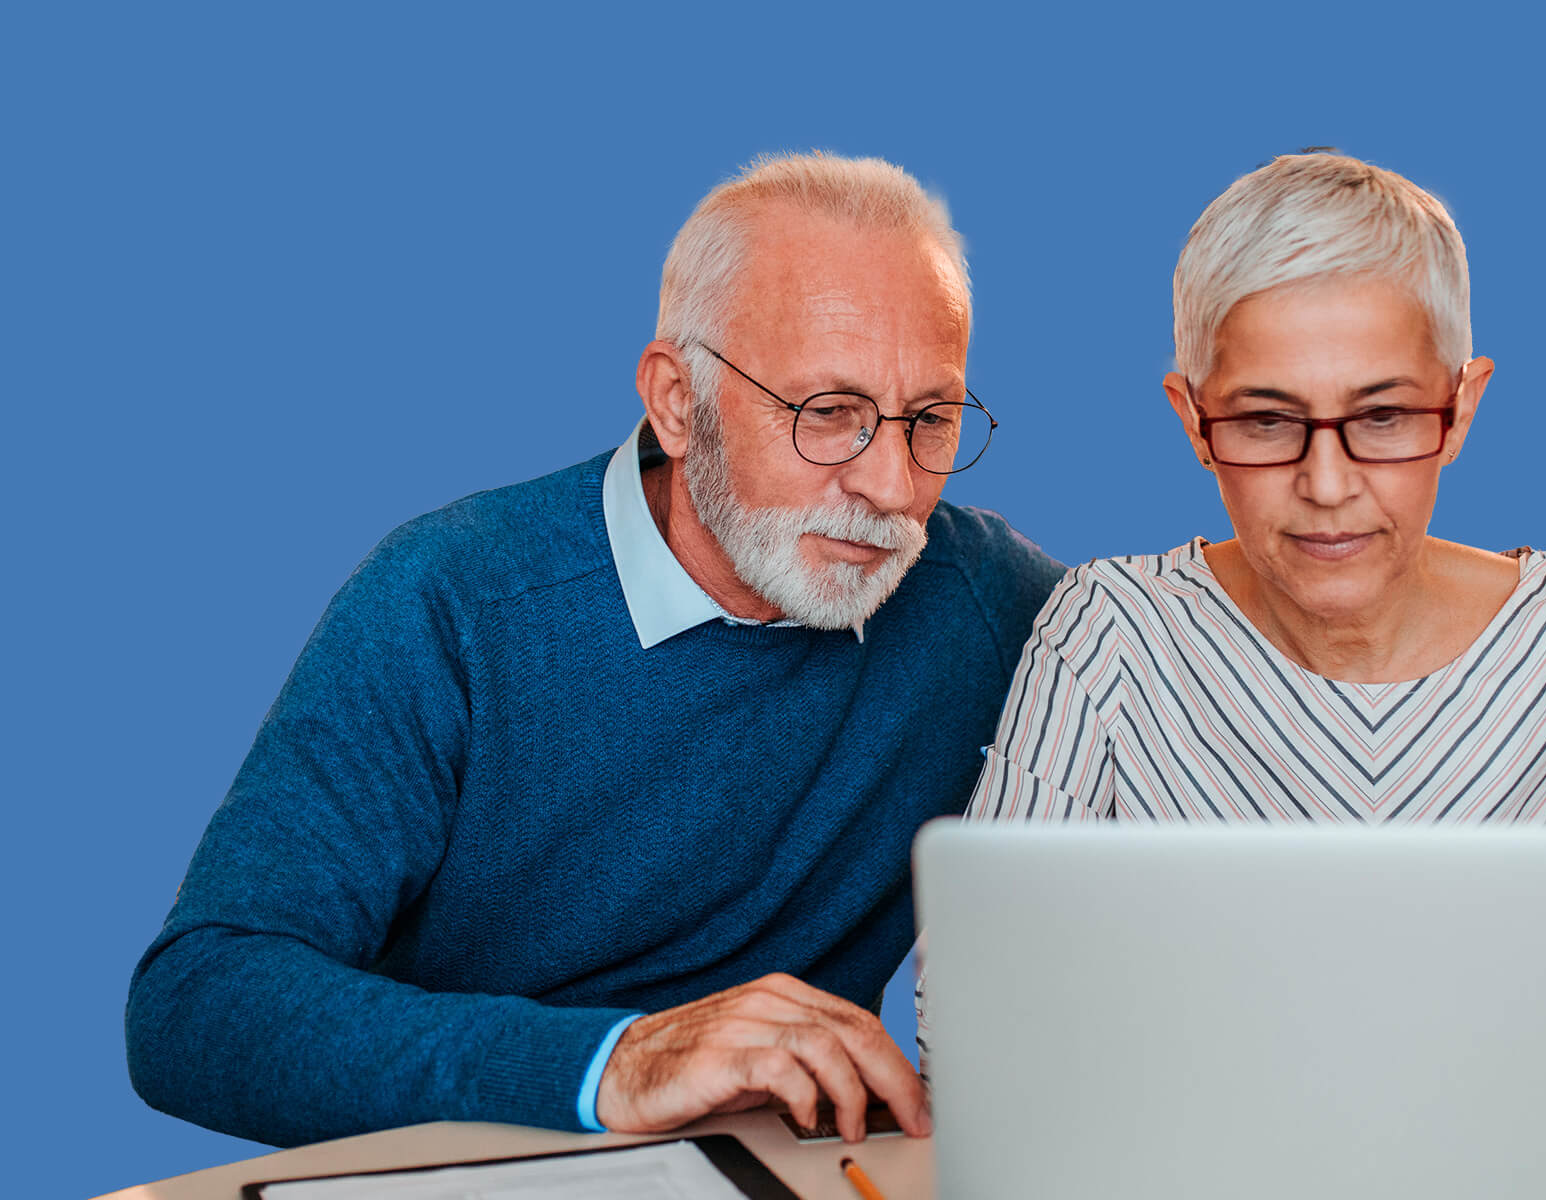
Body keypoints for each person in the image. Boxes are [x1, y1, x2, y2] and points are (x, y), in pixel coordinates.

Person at [126, 152, 1064, 1149]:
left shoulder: (983, 600)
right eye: (826, 414)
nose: (888, 483)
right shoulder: (453, 600)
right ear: (674, 399)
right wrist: (617, 1061)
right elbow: (195, 1004)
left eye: (928, 419)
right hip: (471, 1169)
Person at [930, 151, 1546, 1111]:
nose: (1328, 486)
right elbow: (972, 1012)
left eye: (1382, 416)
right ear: (1193, 418)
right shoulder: (1110, 636)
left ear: (1461, 406)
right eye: (1267, 422)